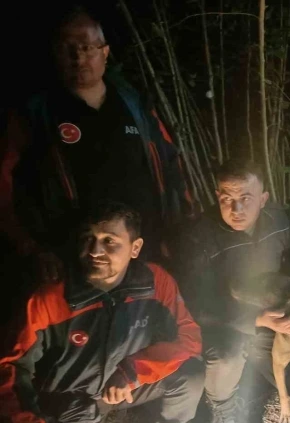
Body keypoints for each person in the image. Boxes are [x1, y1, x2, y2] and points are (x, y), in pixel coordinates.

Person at [0, 201, 204, 423]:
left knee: (190, 374)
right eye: (88, 239)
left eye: (110, 241)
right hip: (75, 403)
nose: (96, 250)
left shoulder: (155, 282)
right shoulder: (50, 297)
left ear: (135, 248)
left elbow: (188, 338)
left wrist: (134, 371)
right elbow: (9, 367)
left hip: (122, 384)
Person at [0, 5, 196, 280]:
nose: (78, 57)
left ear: (105, 52)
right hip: (74, 258)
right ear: (55, 54)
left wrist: (180, 227)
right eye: (68, 48)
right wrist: (31, 247)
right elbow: (7, 187)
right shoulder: (35, 115)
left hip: (148, 248)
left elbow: (171, 163)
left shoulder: (135, 105)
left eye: (86, 47)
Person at [176, 160, 290, 423]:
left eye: (246, 199)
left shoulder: (276, 218)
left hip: (271, 316)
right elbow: (196, 303)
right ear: (217, 196)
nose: (236, 210)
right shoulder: (200, 236)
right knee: (227, 354)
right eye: (226, 199)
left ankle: (257, 368)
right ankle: (223, 404)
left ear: (263, 199)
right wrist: (256, 318)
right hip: (226, 323)